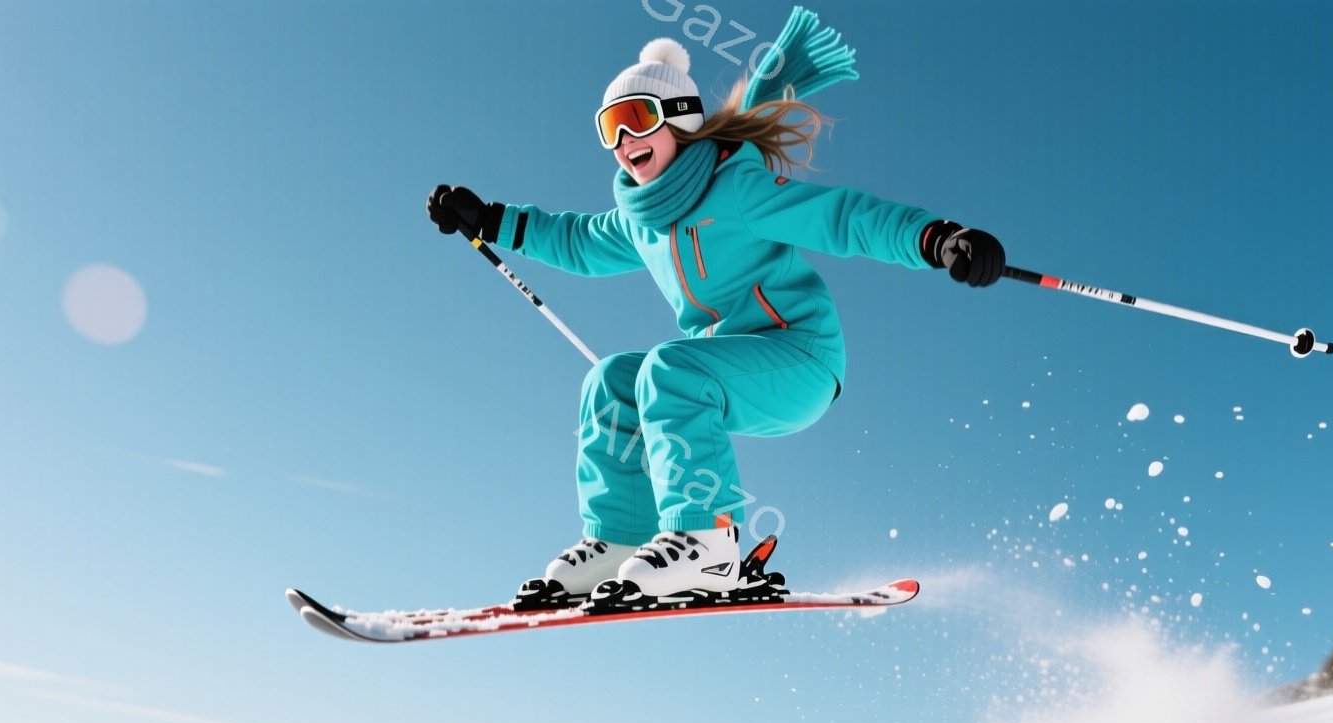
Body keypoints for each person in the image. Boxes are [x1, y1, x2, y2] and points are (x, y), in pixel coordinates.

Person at [427, 25, 1004, 604]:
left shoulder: (738, 188)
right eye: (610, 127)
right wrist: (491, 220)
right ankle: (620, 540)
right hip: (726, 364)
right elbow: (577, 241)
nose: (625, 138)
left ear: (679, 117)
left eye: (636, 117)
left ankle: (707, 540)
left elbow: (842, 217)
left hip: (800, 357)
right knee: (610, 382)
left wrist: (935, 238)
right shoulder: (640, 219)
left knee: (668, 369)